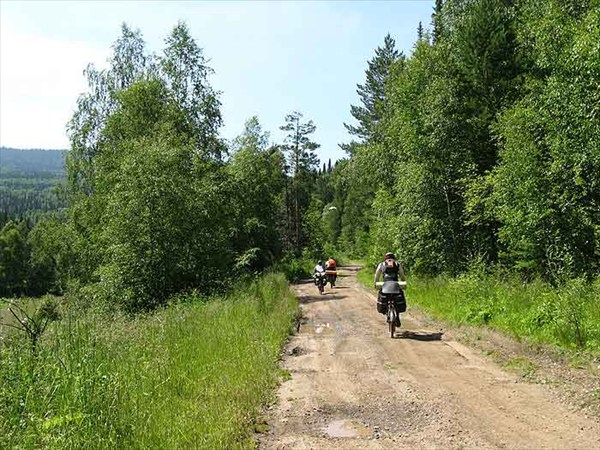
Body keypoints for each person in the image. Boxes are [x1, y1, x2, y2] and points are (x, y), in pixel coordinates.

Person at [374, 252, 406, 326]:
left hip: (385, 286)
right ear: (393, 258)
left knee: (382, 296)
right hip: (395, 286)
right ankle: (397, 316)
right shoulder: (397, 264)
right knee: (397, 300)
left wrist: (376, 283)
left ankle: (386, 311)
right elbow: (402, 275)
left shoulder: (381, 264)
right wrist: (403, 281)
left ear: (385, 258)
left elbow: (377, 275)